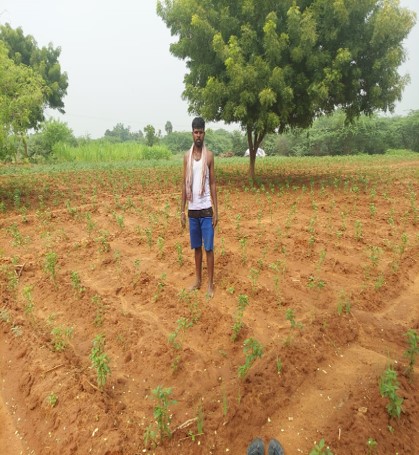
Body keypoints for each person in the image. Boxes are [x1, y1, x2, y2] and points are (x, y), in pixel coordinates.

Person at [181, 116, 218, 298]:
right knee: (197, 247)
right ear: (192, 133)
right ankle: (198, 280)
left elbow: (212, 184)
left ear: (204, 133)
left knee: (208, 248)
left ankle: (210, 284)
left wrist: (216, 211)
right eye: (196, 132)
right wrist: (182, 210)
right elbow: (183, 184)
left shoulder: (209, 156)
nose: (198, 135)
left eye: (201, 132)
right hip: (193, 210)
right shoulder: (187, 157)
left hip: (206, 210)